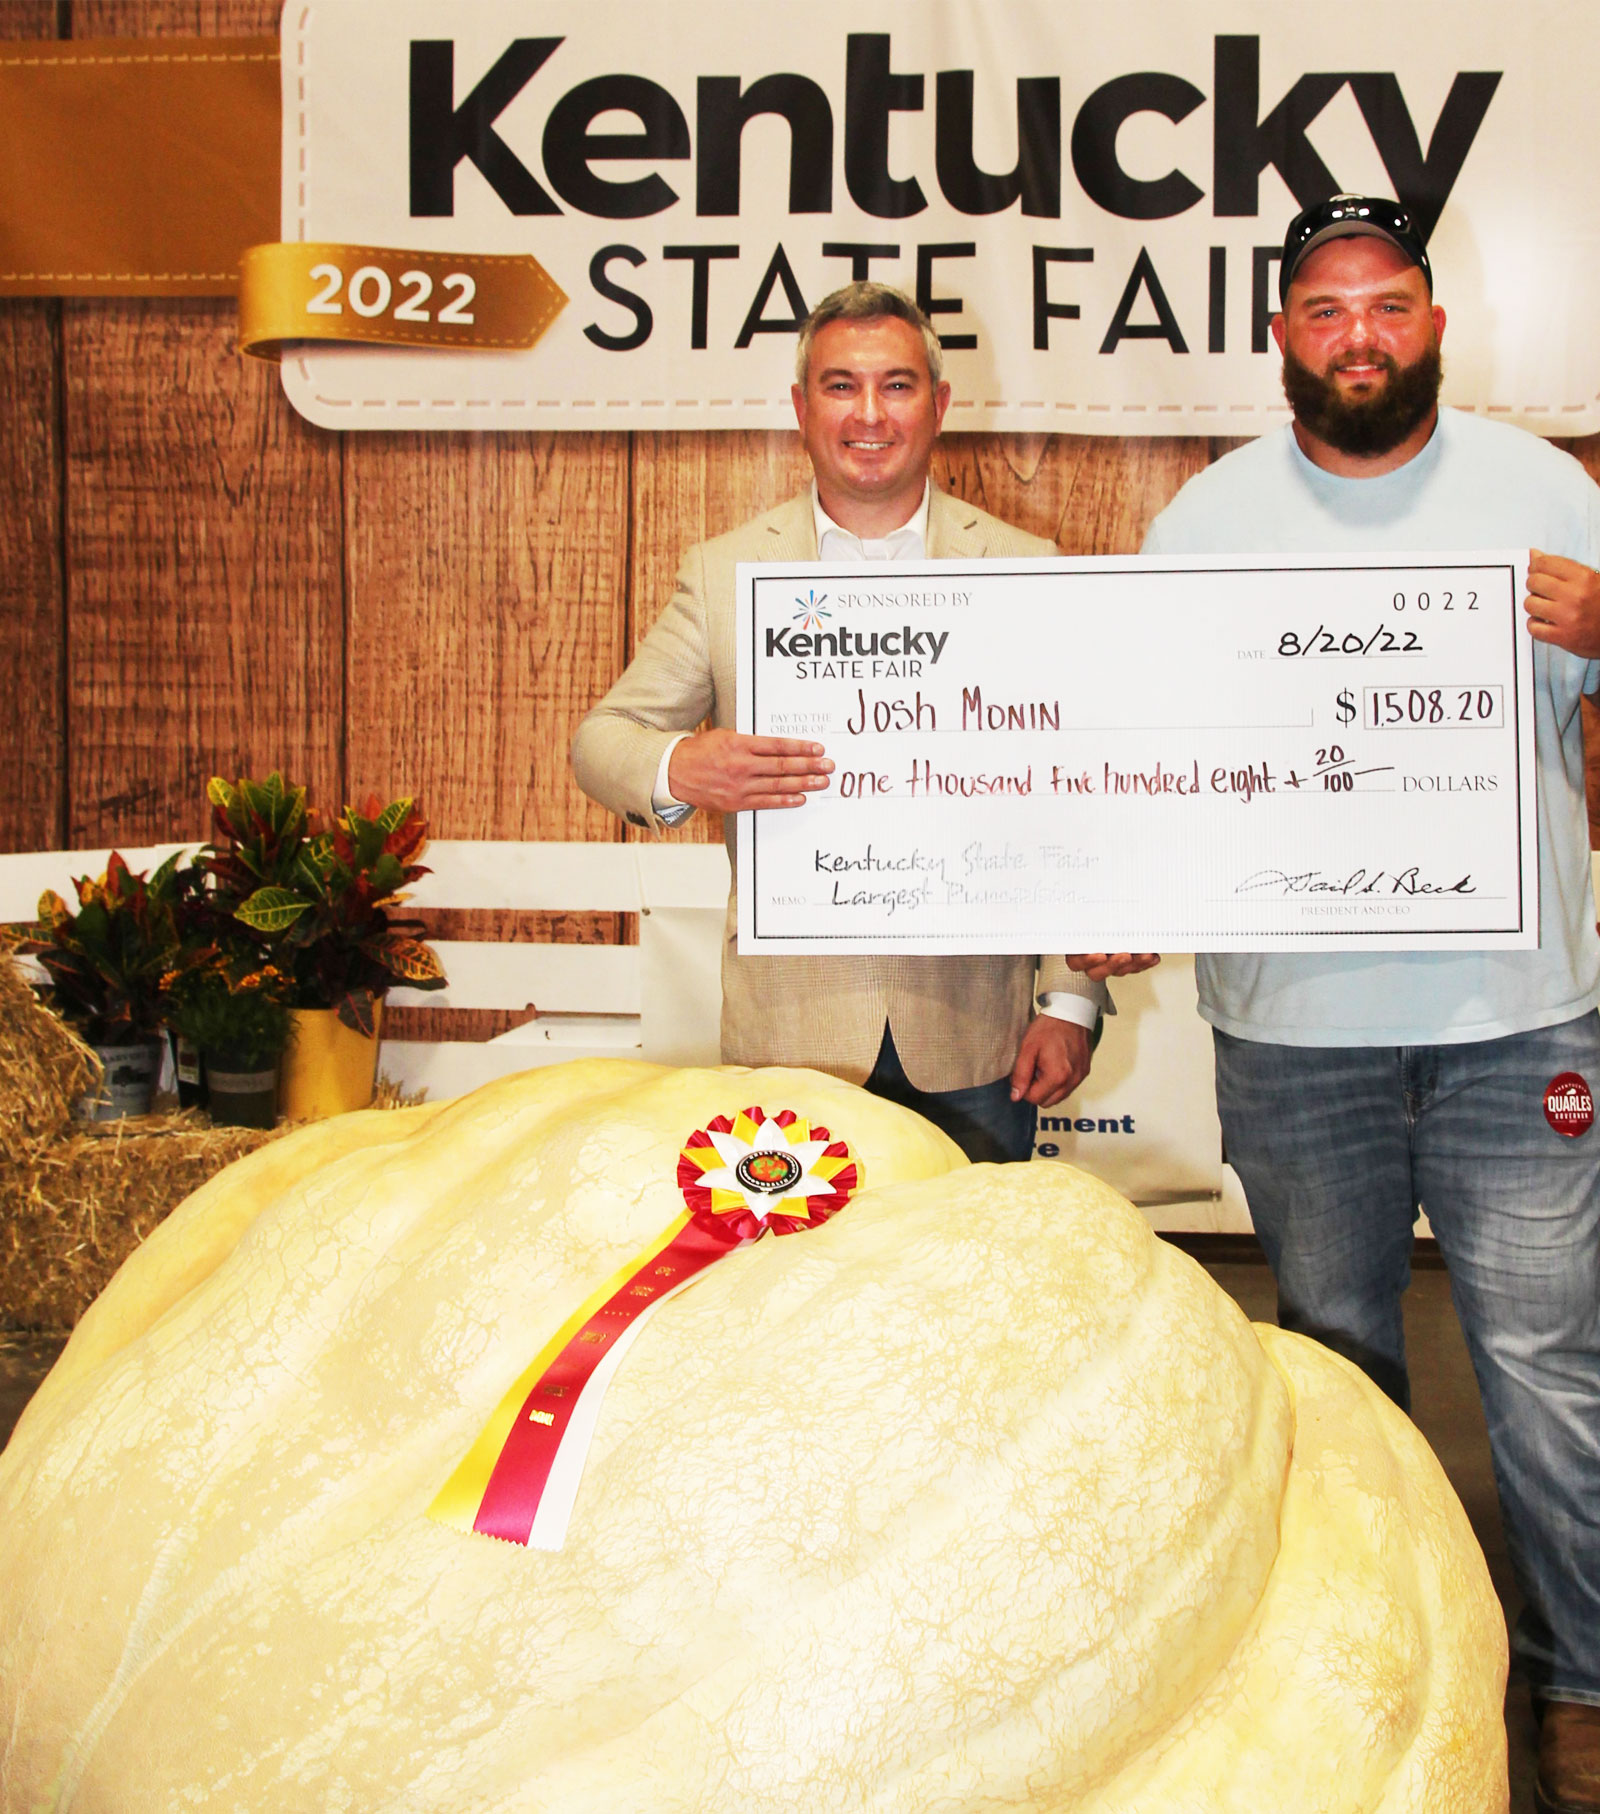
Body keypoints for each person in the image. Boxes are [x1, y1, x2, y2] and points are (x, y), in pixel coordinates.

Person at [1134, 194, 1600, 1813]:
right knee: (1331, 1362)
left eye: (1387, 306)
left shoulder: (1549, 491)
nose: (1358, 337)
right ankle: (1368, 1666)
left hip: (1520, 1016)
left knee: (1546, 1368)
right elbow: (1151, 753)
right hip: (1297, 1024)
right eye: (1325, 310)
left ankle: (1582, 1689)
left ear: (1435, 323)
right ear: (1281, 334)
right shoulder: (1200, 522)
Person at [571, 282, 1106, 1163]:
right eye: (840, 385)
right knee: (791, 1298)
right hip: (790, 1038)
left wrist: (1072, 1001)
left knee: (968, 1295)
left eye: (896, 385)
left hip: (976, 1040)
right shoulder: (722, 572)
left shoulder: (1023, 567)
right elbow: (603, 741)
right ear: (800, 405)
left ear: (939, 405)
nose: (869, 413)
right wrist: (681, 766)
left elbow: (1078, 794)